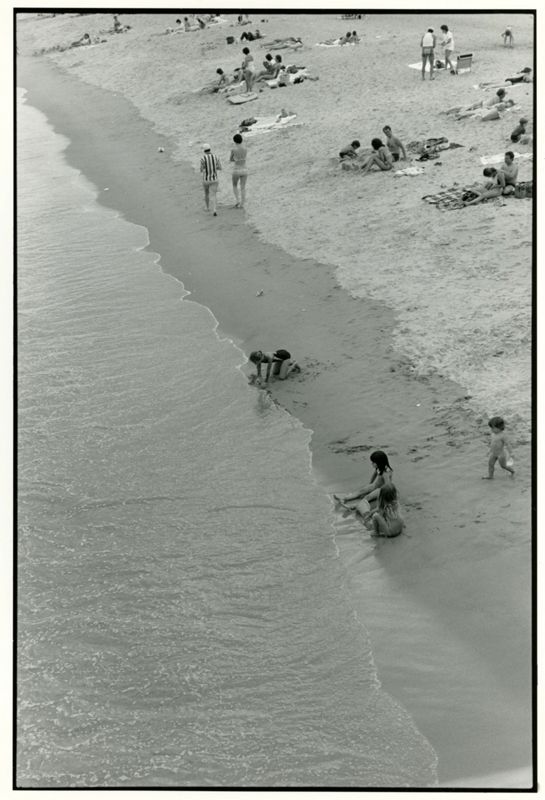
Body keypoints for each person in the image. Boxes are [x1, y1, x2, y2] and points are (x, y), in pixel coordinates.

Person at [200, 144, 221, 216]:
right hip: (214, 179)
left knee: (206, 193)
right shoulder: (216, 157)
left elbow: (201, 169)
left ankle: (207, 207)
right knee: (214, 195)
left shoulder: (203, 158)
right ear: (210, 149)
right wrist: (214, 168)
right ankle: (214, 210)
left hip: (206, 179)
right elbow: (220, 167)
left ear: (204, 150)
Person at [230, 133, 248, 208]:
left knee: (234, 185)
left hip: (237, 169)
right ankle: (242, 203)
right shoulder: (245, 148)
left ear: (234, 141)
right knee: (243, 187)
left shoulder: (233, 149)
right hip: (244, 169)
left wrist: (235, 159)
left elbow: (231, 159)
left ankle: (237, 200)